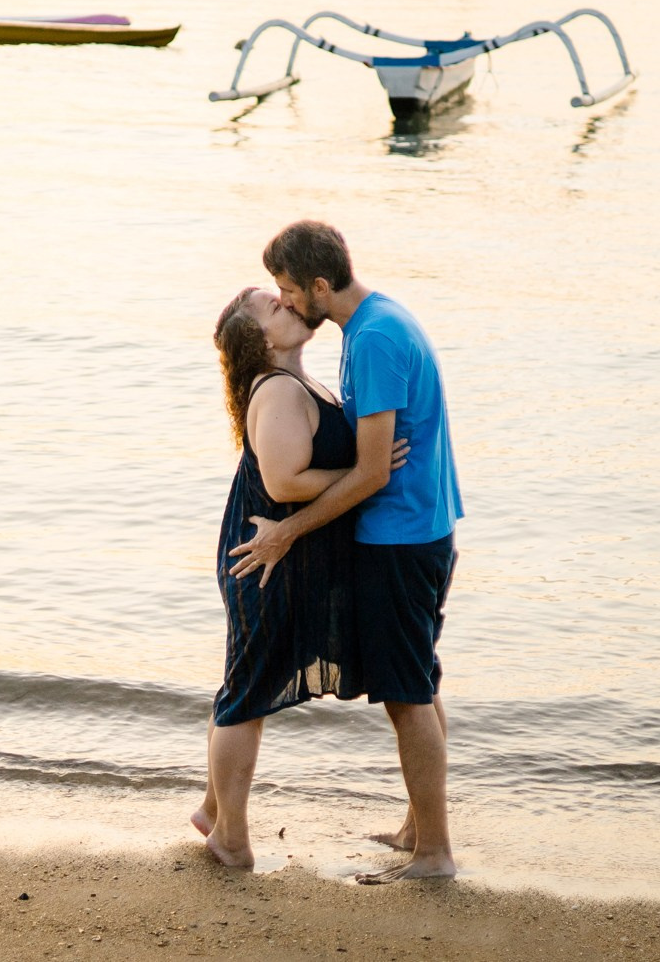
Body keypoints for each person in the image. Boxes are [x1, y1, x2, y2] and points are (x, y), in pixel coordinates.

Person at [230, 219, 463, 883]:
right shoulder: (379, 322)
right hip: (418, 527)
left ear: (320, 285)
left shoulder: (376, 339)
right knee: (414, 679)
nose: (286, 302)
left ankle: (434, 854)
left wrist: (285, 531)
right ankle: (420, 828)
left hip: (402, 535)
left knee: (405, 692)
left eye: (288, 289)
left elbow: (371, 473)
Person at [193, 285, 409, 868]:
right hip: (267, 560)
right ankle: (230, 840)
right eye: (273, 306)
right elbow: (285, 482)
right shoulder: (280, 391)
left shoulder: (298, 384)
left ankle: (215, 810)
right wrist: (365, 470)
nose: (288, 305)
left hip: (282, 555)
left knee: (250, 679)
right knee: (248, 690)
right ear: (260, 339)